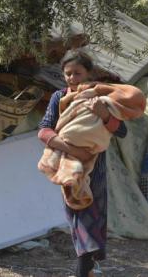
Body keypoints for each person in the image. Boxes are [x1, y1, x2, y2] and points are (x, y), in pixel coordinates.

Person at [38, 50, 127, 277]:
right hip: (69, 165)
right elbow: (44, 130)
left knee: (92, 214)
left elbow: (122, 131)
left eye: (77, 73)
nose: (72, 78)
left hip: (95, 167)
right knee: (76, 214)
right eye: (68, 74)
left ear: (89, 73)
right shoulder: (59, 98)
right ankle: (85, 268)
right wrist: (71, 149)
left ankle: (84, 269)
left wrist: (104, 115)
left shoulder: (101, 98)